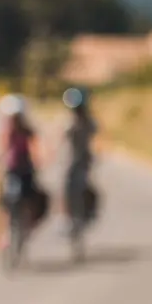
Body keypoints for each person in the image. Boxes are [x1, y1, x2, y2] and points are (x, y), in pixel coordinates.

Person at [0, 94, 48, 248]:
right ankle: (4, 234)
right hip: (12, 171)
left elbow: (36, 146)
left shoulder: (28, 131)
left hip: (26, 170)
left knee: (34, 198)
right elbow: (0, 147)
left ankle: (28, 224)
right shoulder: (7, 132)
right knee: (5, 201)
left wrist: (40, 158)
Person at [61, 86, 99, 230]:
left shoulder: (88, 122)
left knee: (83, 186)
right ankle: (67, 217)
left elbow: (97, 139)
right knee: (67, 189)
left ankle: (86, 213)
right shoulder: (69, 121)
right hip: (71, 161)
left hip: (82, 161)